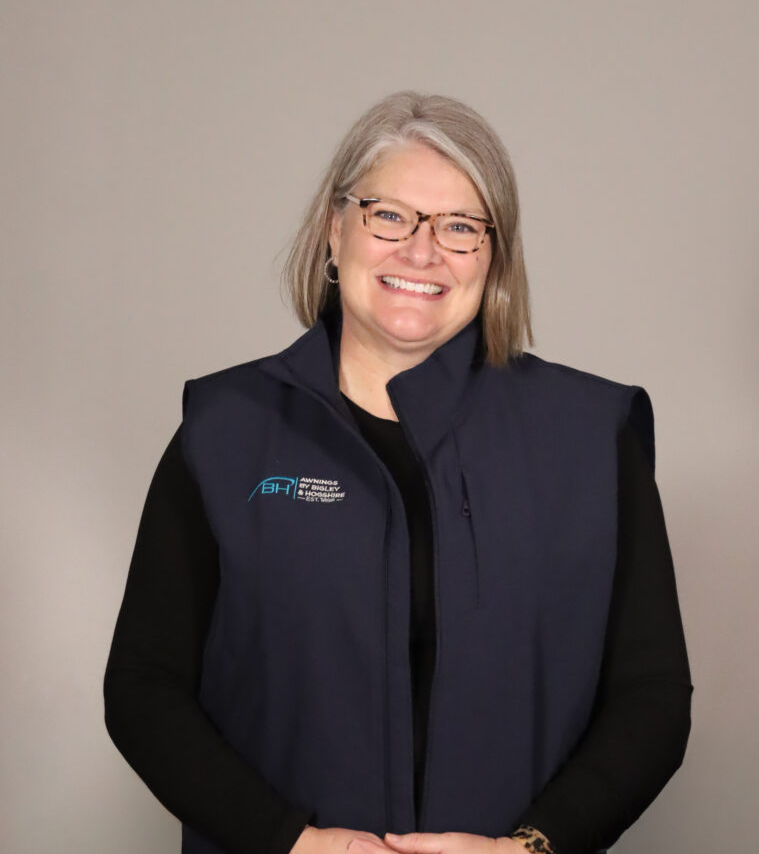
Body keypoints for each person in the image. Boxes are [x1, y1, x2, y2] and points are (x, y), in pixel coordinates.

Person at [104, 90, 693, 854]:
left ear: (494, 257)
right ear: (333, 229)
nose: (421, 252)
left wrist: (530, 849)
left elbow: (651, 698)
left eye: (459, 227)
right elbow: (144, 689)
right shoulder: (227, 432)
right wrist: (292, 843)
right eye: (389, 215)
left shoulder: (590, 436)